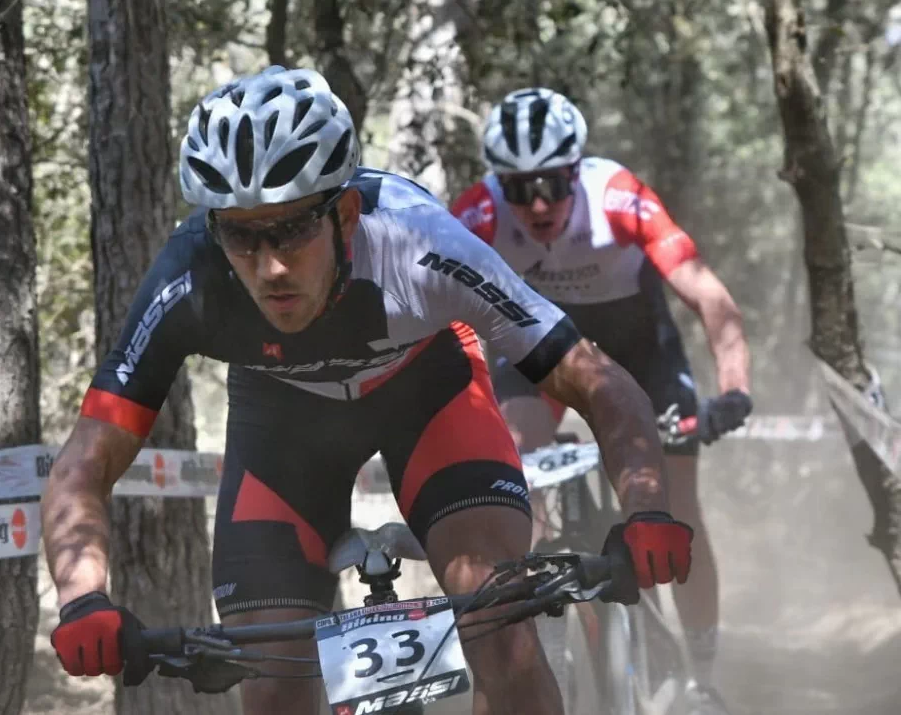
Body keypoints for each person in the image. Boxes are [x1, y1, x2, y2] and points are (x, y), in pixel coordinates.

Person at [41, 66, 694, 715]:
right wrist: (83, 600)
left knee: (499, 627)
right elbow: (85, 462)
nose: (269, 266)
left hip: (429, 397)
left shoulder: (419, 244)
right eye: (241, 234)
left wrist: (647, 510)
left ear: (345, 213)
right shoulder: (188, 278)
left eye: (293, 228)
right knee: (270, 686)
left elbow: (600, 384)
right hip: (283, 432)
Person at [450, 87, 753, 710]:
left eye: (554, 185)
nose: (536, 204)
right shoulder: (477, 212)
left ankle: (702, 676)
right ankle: (529, 644)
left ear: (577, 172)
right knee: (514, 480)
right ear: (496, 185)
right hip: (541, 350)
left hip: (639, 348)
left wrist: (734, 389)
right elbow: (433, 315)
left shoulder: (618, 196)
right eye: (519, 188)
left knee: (678, 506)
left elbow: (710, 298)